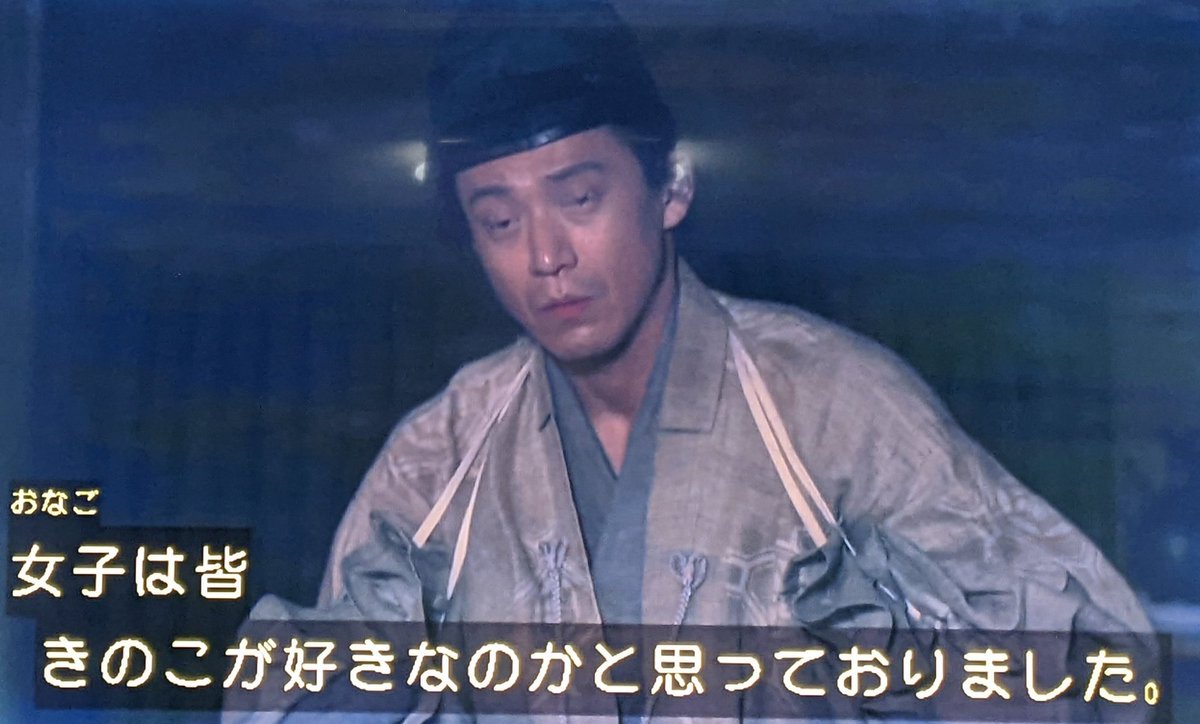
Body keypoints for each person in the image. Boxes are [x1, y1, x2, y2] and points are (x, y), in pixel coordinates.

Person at [233, 0, 1155, 719]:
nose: (545, 255)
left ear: (670, 187)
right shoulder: (441, 457)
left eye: (580, 198)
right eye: (500, 220)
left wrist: (904, 643)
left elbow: (1108, 672)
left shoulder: (832, 405)